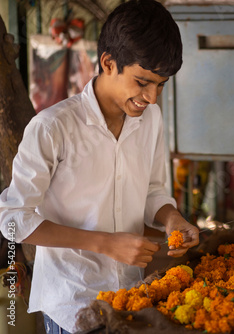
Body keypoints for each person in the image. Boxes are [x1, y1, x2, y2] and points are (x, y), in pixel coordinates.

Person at [0, 1, 199, 333]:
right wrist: (105, 243)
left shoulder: (150, 120)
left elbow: (152, 190)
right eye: (142, 82)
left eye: (161, 85)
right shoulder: (53, 128)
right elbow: (11, 219)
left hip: (133, 298)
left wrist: (172, 218)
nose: (152, 97)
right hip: (72, 305)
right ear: (108, 62)